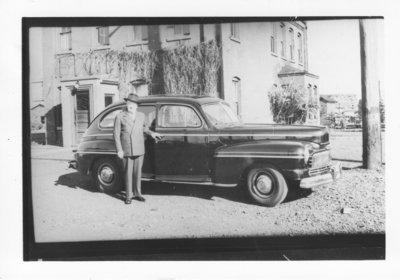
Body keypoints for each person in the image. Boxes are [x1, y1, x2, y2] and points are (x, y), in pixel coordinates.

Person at [113, 93, 161, 204]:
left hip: (139, 148)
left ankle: (138, 193)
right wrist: (119, 150)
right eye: (129, 103)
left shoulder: (141, 115)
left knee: (137, 173)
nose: (131, 105)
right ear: (127, 104)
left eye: (133, 104)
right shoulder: (120, 116)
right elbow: (115, 135)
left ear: (137, 106)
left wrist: (152, 133)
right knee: (128, 173)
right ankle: (129, 196)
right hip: (126, 149)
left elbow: (145, 128)